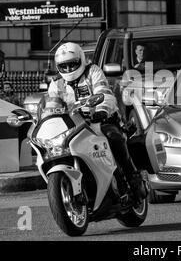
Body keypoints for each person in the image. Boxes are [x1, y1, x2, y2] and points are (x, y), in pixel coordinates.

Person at [48, 42, 148, 203]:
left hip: (101, 119)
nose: (68, 70)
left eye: (72, 65)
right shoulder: (56, 83)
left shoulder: (92, 71)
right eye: (63, 66)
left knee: (113, 136)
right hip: (74, 125)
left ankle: (132, 177)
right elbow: (52, 105)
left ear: (80, 60)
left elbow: (104, 92)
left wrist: (102, 110)